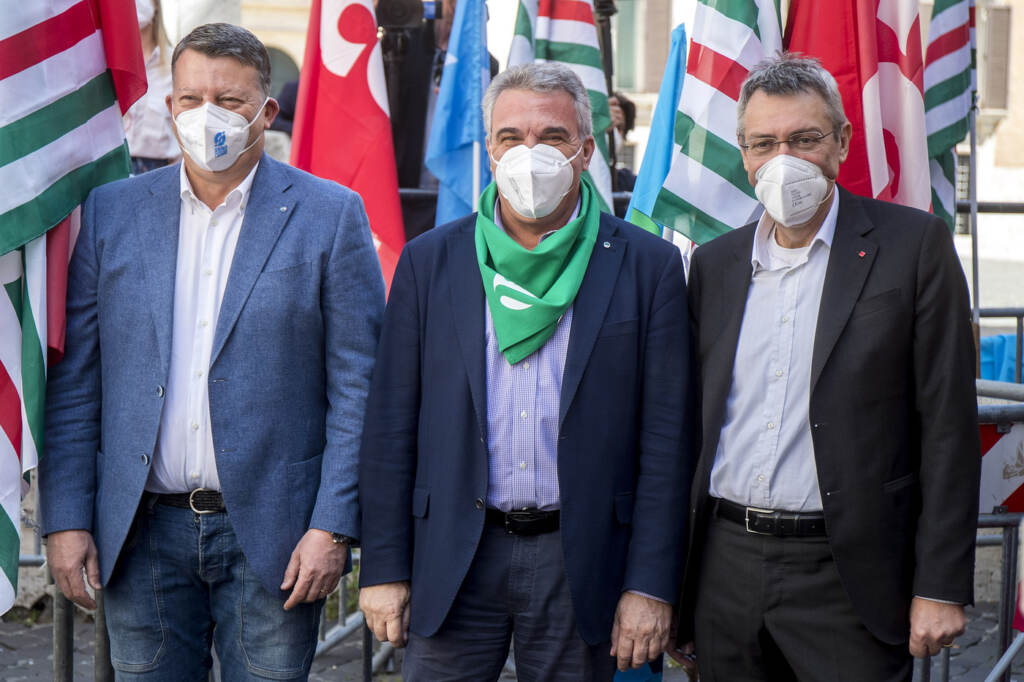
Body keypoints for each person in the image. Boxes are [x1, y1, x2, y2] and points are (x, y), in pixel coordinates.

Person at [39, 23, 384, 679]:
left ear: (266, 111)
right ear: (170, 106)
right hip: (141, 536)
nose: (208, 115)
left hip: (279, 538)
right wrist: (65, 520)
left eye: (229, 100)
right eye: (192, 98)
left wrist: (333, 527)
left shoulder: (330, 215)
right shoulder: (111, 213)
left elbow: (358, 389)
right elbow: (78, 382)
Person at [358, 62, 695, 680]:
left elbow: (667, 441)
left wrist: (649, 584)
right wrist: (383, 568)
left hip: (583, 559)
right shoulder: (431, 261)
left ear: (586, 151)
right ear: (489, 149)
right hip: (453, 556)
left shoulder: (647, 266)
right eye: (511, 137)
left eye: (552, 137)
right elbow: (390, 425)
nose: (529, 154)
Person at [672, 53, 980, 681]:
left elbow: (948, 424)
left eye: (805, 139)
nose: (783, 159)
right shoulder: (714, 264)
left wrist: (941, 585)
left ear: (841, 141)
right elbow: (692, 427)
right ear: (743, 154)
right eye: (765, 143)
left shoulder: (913, 246)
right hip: (725, 569)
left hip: (849, 575)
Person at [123, 0, 181, 174]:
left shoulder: (177, 64)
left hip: (161, 169)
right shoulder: (109, 64)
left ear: (155, 5)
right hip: (116, 167)